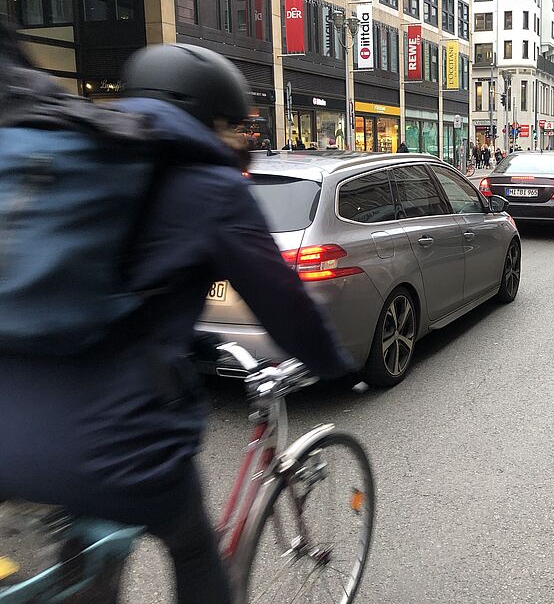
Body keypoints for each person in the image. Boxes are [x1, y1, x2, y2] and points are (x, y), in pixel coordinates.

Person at [0, 34, 352, 604]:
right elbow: (283, 305)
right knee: (191, 544)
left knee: (82, 555)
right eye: (235, 126)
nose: (243, 140)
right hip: (115, 440)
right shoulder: (212, 188)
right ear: (207, 117)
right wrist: (332, 363)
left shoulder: (70, 159)